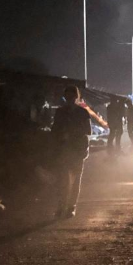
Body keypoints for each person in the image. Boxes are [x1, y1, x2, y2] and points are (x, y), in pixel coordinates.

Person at [52, 86, 107, 218]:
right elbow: (55, 130)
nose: (70, 99)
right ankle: (63, 206)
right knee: (64, 181)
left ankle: (70, 206)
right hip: (66, 150)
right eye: (68, 97)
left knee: (73, 180)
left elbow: (88, 130)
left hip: (76, 150)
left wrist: (70, 133)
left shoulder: (81, 113)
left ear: (75, 97)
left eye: (71, 97)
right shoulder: (62, 112)